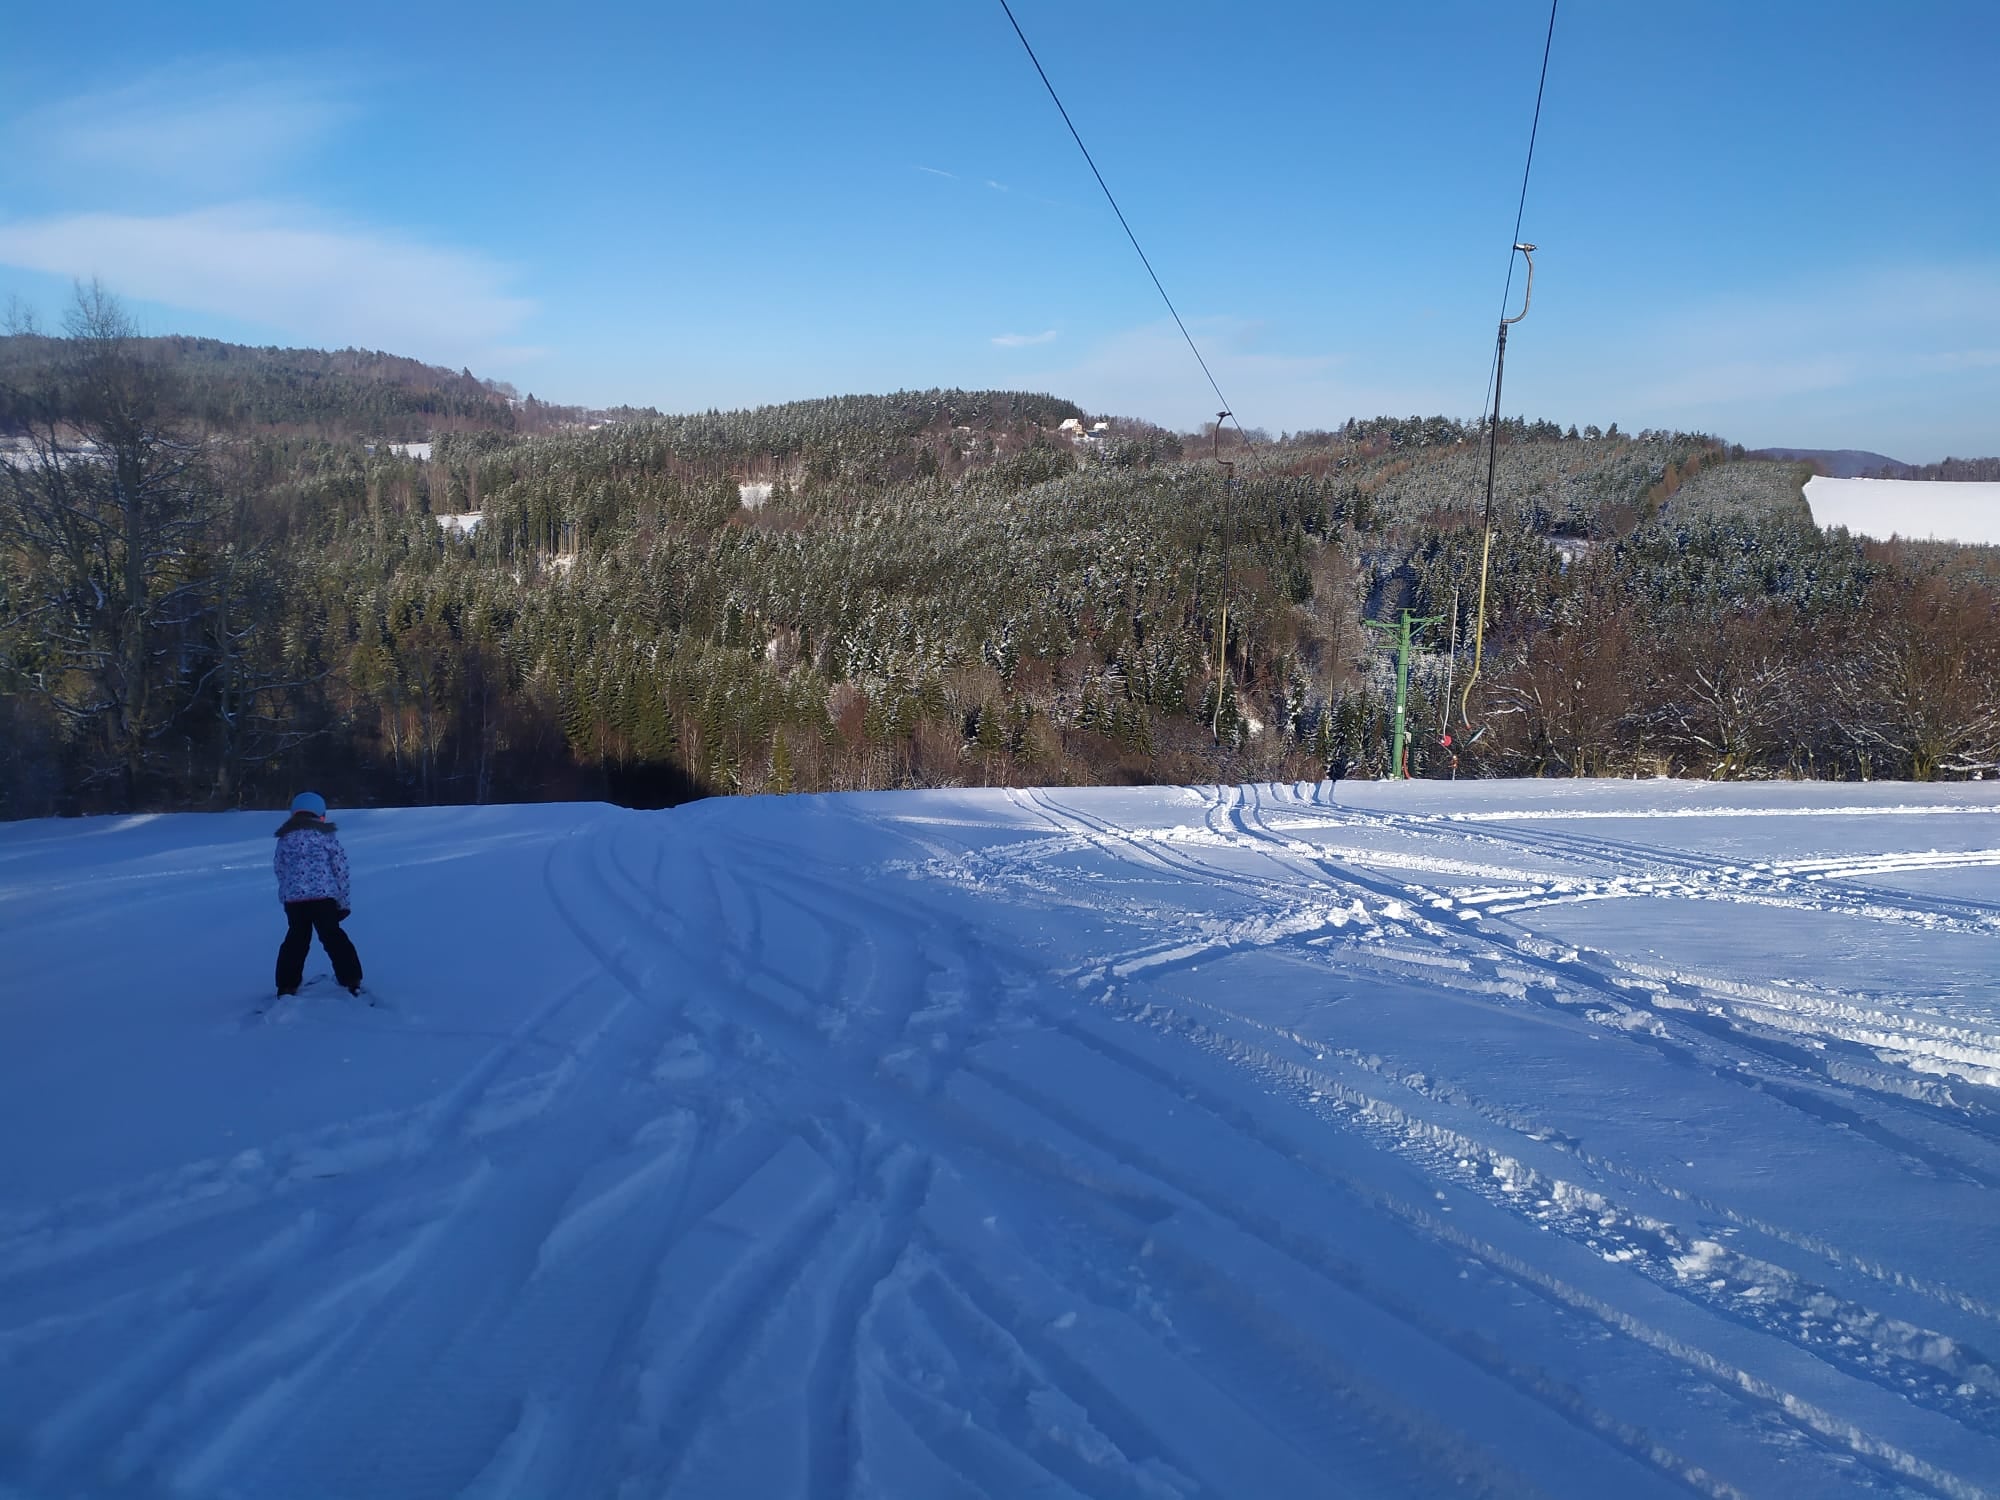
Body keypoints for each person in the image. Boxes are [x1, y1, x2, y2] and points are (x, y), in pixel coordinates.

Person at [273, 792, 364, 997]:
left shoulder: (284, 840)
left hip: (295, 901)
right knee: (333, 936)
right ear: (321, 815)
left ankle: (287, 985)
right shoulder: (326, 838)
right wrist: (343, 902)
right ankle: (351, 979)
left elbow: (280, 869)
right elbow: (340, 870)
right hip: (324, 900)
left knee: (296, 939)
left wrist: (286, 895)